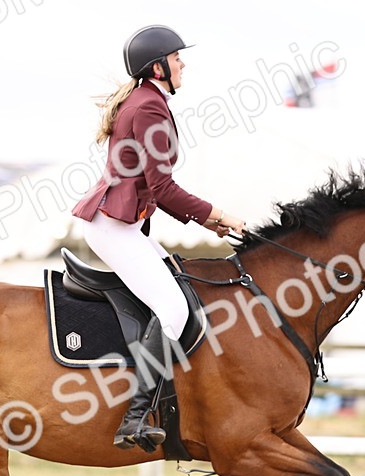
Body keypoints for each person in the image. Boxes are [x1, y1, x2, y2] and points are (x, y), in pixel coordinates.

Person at [71, 24, 246, 451]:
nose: (183, 63)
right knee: (171, 307)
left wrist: (212, 223)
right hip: (114, 226)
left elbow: (157, 189)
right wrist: (216, 215)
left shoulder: (147, 101)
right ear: (158, 66)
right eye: (177, 57)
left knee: (180, 289)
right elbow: (164, 188)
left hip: (121, 224)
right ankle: (133, 419)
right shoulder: (148, 107)